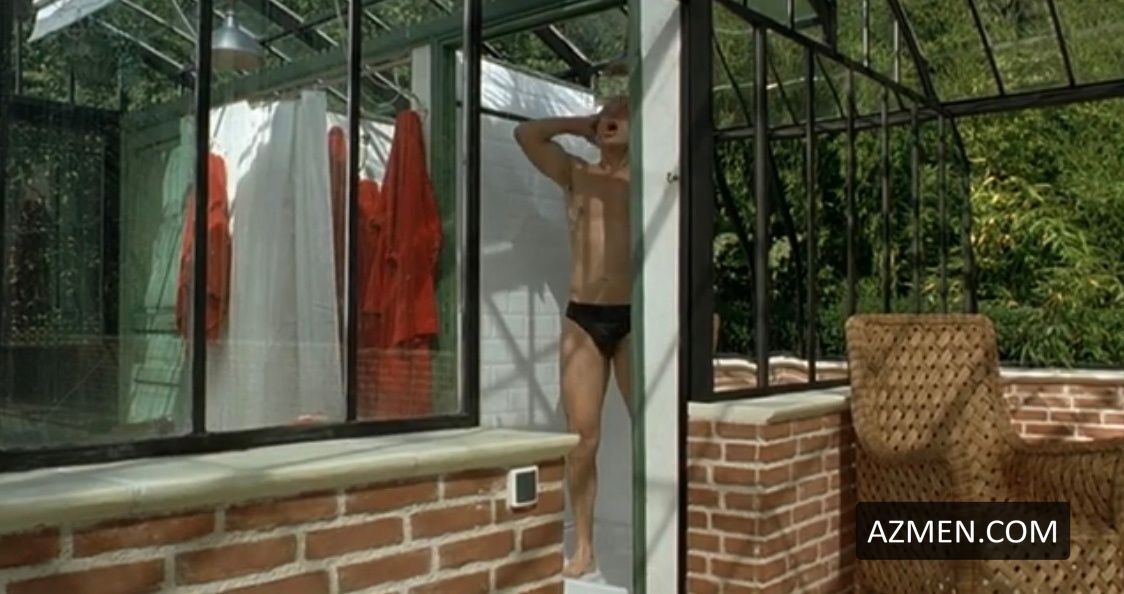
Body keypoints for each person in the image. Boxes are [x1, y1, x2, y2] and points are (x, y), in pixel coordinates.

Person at [513, 96, 632, 579]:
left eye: (621, 111)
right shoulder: (577, 173)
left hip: (635, 316)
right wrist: (580, 124)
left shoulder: (646, 179)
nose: (610, 117)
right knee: (581, 440)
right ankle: (584, 548)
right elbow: (527, 135)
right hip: (583, 316)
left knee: (654, 432)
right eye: (606, 111)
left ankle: (662, 536)